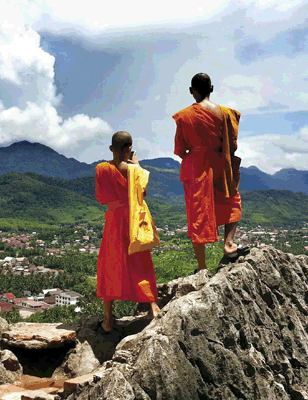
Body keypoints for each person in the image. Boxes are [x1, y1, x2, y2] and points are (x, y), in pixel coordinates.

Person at [173, 73, 249, 272]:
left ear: (191, 91)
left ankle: (201, 267)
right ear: (212, 89)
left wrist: (197, 153)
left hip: (196, 167)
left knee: (197, 213)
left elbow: (180, 150)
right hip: (222, 163)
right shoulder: (227, 114)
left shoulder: (184, 116)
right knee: (231, 200)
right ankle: (229, 244)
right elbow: (232, 144)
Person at [95, 131, 163, 332]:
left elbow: (101, 197)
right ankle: (153, 307)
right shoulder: (134, 170)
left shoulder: (101, 168)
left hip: (114, 220)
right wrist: (137, 166)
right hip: (134, 219)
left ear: (111, 148)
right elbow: (143, 193)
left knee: (110, 263)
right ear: (130, 148)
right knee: (141, 261)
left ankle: (108, 319)